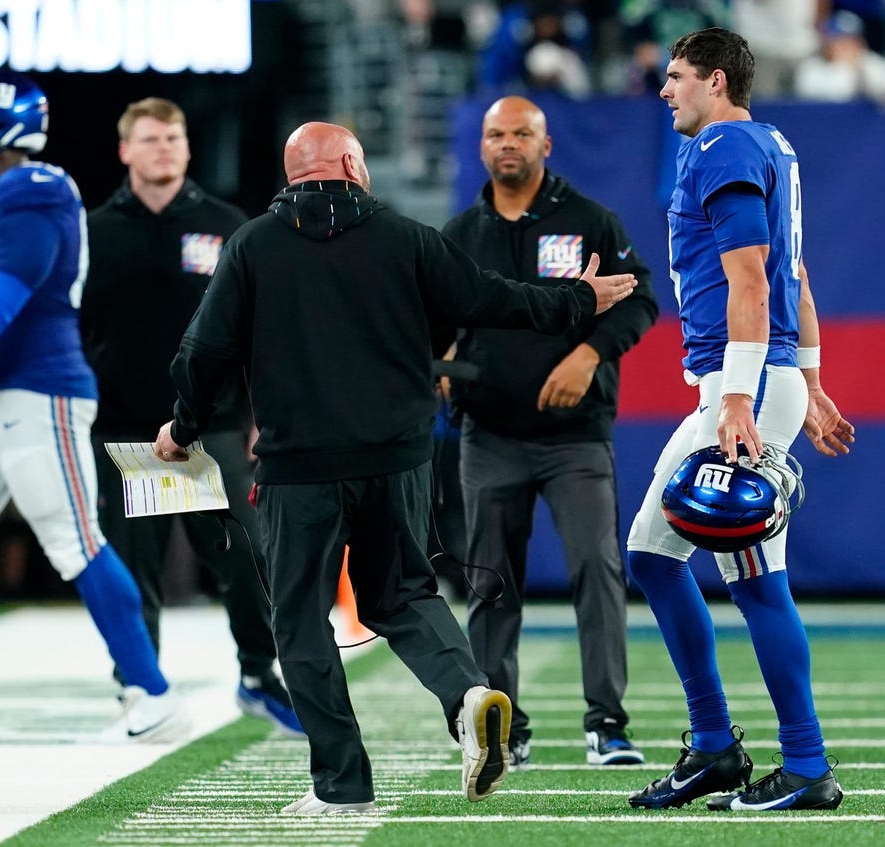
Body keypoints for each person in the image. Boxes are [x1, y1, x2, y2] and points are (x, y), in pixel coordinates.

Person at [153, 120, 638, 814]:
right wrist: (580, 300)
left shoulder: (253, 244)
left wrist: (183, 425)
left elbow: (201, 354)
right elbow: (497, 300)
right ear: (354, 165)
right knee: (404, 596)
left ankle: (342, 784)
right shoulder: (406, 238)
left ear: (293, 173)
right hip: (398, 460)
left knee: (299, 621)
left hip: (300, 468)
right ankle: (467, 693)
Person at [0, 70, 188, 744]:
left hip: (38, 394)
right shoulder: (6, 197)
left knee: (74, 539)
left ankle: (150, 689)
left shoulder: (35, 190)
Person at [623, 28, 854, 812]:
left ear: (716, 82)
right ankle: (728, 747)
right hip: (766, 377)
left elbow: (754, 278)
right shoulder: (771, 145)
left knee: (726, 568)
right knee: (671, 558)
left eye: (678, 76)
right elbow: (796, 275)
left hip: (742, 383)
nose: (666, 91)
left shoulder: (723, 147)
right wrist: (811, 385)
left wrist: (735, 398)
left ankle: (789, 759)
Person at [440, 95, 659, 769]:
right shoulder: (457, 234)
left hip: (574, 436)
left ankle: (608, 722)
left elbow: (642, 298)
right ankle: (502, 721)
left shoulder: (589, 220)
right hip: (489, 434)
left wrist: (589, 353)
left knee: (597, 568)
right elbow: (426, 316)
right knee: (491, 582)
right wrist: (440, 360)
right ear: (481, 147)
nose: (509, 143)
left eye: (522, 133)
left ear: (546, 144)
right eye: (496, 133)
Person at [80, 97, 302, 734]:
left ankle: (259, 675)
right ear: (125, 150)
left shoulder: (226, 223)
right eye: (149, 139)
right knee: (131, 572)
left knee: (250, 559)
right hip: (126, 433)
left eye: (173, 137)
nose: (164, 148)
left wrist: (263, 414)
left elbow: (261, 331)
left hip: (212, 429)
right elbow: (71, 331)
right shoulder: (90, 233)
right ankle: (138, 687)